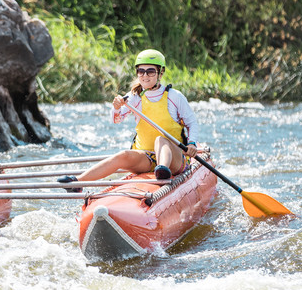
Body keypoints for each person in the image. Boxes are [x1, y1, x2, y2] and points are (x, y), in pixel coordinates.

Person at [58, 49, 199, 191]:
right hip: (147, 157)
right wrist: (117, 108)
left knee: (160, 140)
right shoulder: (134, 97)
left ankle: (162, 172)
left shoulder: (174, 96)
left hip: (175, 158)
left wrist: (192, 143)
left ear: (160, 73)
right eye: (141, 71)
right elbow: (116, 120)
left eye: (150, 71)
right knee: (123, 155)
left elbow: (191, 123)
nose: (145, 76)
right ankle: (78, 182)